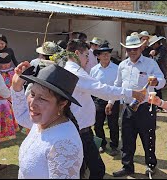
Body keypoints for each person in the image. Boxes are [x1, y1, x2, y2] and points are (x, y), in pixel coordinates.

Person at [61, 39, 145, 179]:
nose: (88, 59)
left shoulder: (68, 69)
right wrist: (131, 92)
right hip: (79, 130)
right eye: (86, 55)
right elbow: (102, 90)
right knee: (90, 169)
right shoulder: (75, 73)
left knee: (90, 168)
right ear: (77, 53)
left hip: (79, 128)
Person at [11, 62, 83, 179]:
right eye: (32, 94)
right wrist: (16, 86)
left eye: (42, 98)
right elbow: (21, 117)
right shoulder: (43, 121)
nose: (32, 104)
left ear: (62, 103)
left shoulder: (63, 144)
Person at [110, 35, 166, 177]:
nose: (132, 52)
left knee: (148, 138)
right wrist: (111, 102)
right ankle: (127, 166)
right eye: (129, 49)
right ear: (126, 50)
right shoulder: (122, 65)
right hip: (127, 107)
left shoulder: (150, 63)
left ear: (141, 48)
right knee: (127, 138)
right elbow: (117, 85)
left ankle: (151, 165)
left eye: (135, 49)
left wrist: (155, 82)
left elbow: (162, 80)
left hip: (146, 108)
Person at [90, 42, 120, 156]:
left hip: (113, 100)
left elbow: (118, 86)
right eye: (103, 54)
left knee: (113, 124)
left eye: (107, 54)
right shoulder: (94, 70)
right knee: (98, 124)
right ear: (98, 56)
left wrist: (112, 101)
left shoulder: (117, 69)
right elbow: (92, 86)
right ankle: (102, 144)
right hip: (98, 100)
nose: (105, 56)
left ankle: (114, 146)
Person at [149, 35, 167, 112]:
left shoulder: (162, 49)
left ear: (156, 43)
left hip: (160, 71)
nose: (153, 47)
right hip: (159, 70)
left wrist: (152, 56)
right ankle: (158, 105)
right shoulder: (158, 49)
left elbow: (158, 60)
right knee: (157, 90)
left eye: (153, 44)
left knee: (158, 89)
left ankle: (159, 106)